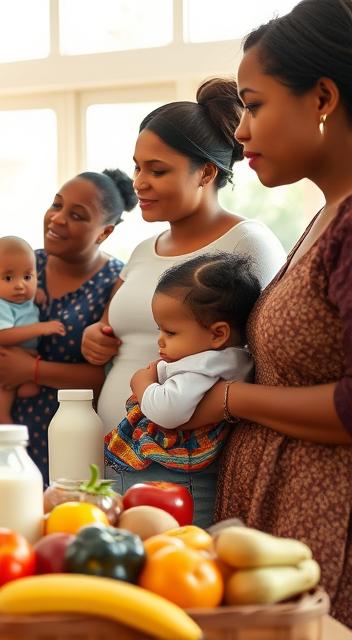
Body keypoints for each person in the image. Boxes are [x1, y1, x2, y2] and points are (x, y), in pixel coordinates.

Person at [204, 0, 352, 622]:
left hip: (331, 525)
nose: (240, 131)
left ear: (322, 98)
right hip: (285, 517)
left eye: (254, 105)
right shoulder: (325, 217)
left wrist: (230, 400)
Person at [80, 79, 286, 520]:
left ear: (206, 173)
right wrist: (96, 337)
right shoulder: (142, 250)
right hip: (120, 455)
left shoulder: (248, 243)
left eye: (157, 171)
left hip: (184, 467)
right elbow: (117, 330)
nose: (139, 183)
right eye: (137, 168)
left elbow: (268, 360)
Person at [0, 169, 133, 484]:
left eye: (76, 215)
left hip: (73, 433)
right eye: (56, 205)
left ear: (104, 232)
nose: (57, 218)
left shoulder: (117, 281)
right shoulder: (24, 262)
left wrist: (32, 370)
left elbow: (111, 377)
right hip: (10, 425)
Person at [104, 253, 260, 500]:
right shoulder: (228, 360)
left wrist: (142, 383)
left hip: (176, 478)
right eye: (160, 330)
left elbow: (167, 410)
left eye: (171, 332)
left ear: (218, 334)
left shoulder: (203, 367)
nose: (160, 340)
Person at [0, 236, 66, 424]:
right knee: (6, 387)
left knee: (28, 386)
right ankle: (2, 417)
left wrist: (36, 293)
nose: (19, 285)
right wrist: (41, 328)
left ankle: (24, 384)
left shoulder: (17, 296)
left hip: (19, 350)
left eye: (27, 277)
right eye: (8, 278)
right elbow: (3, 336)